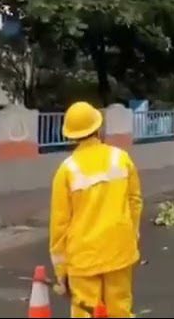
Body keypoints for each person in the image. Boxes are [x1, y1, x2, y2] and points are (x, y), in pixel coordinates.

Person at [49, 101, 142, 318]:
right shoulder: (121, 158)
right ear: (98, 127)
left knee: (84, 312)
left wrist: (60, 271)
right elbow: (135, 201)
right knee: (120, 310)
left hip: (83, 257)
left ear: (71, 136)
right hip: (119, 249)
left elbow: (59, 224)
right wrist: (131, 234)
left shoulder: (66, 170)